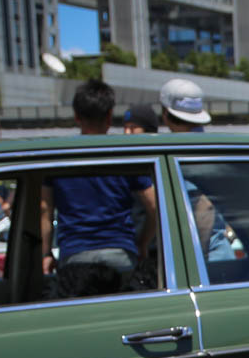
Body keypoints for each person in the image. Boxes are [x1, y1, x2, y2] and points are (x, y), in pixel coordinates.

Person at [42, 78, 157, 298]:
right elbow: (154, 206)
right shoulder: (125, 155)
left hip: (75, 257)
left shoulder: (57, 157)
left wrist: (46, 253)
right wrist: (142, 243)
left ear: (76, 116)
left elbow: (44, 210)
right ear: (109, 116)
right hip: (121, 255)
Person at [158, 77, 234, 261]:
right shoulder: (212, 148)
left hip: (208, 260)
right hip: (222, 254)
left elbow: (205, 206)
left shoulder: (184, 153)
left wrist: (197, 260)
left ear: (165, 114)